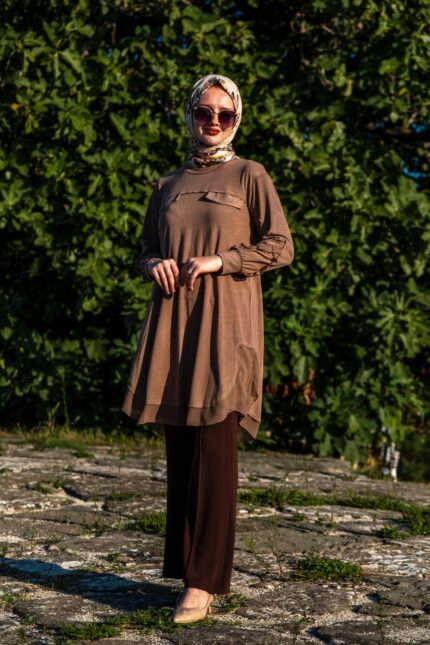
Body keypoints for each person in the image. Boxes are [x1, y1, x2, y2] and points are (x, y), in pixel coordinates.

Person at [121, 73, 294, 623]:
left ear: (237, 118)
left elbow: (281, 246)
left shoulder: (249, 174)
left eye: (224, 113)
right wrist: (155, 264)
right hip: (175, 323)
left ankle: (205, 582)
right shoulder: (168, 184)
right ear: (190, 115)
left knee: (215, 451)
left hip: (227, 325)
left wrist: (222, 260)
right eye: (204, 112)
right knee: (182, 451)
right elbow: (145, 251)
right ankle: (186, 571)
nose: (213, 121)